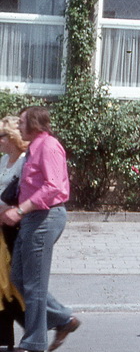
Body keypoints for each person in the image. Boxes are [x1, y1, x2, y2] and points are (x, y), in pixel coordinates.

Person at [0, 107, 78, 352]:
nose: (19, 126)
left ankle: (34, 342)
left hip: (45, 217)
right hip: (32, 219)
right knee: (19, 279)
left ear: (34, 123)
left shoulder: (48, 146)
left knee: (34, 283)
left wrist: (20, 210)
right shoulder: (33, 148)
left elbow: (53, 187)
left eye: (22, 122)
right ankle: (64, 319)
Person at [0, 116, 27, 351]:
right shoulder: (2, 161)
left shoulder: (23, 162)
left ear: (12, 138)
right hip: (0, 227)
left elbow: (21, 198)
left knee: (10, 284)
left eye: (1, 135)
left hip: (13, 229)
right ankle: (4, 339)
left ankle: (36, 328)